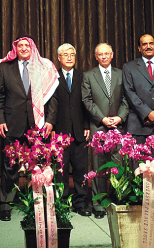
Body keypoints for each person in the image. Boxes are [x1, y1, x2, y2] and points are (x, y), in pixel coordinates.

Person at [0, 36, 58, 221]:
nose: (23, 48)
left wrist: (51, 121)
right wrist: (0, 120)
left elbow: (52, 97)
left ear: (32, 48)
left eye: (26, 45)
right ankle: (5, 205)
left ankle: (39, 203)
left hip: (37, 125)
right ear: (15, 48)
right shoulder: (5, 68)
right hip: (12, 125)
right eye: (20, 45)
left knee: (38, 167)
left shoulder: (43, 68)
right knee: (10, 167)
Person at [82, 42, 129, 218]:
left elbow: (126, 98)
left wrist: (119, 117)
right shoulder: (89, 76)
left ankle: (118, 200)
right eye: (100, 54)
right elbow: (87, 100)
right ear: (96, 56)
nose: (104, 57)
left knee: (118, 165)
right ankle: (99, 204)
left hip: (118, 126)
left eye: (106, 53)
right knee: (99, 167)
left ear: (112, 54)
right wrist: (101, 118)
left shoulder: (122, 74)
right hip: (98, 126)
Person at [52, 43, 90, 217]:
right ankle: (61, 203)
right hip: (59, 131)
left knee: (81, 169)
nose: (69, 57)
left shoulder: (84, 76)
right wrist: (50, 125)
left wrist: (87, 125)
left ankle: (81, 202)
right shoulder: (52, 77)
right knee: (61, 169)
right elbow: (49, 104)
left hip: (80, 131)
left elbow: (88, 103)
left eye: (72, 55)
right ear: (59, 58)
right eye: (65, 55)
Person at [122, 34, 154, 144]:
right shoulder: (129, 67)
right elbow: (129, 93)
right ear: (139, 48)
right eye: (144, 44)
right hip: (139, 125)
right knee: (139, 161)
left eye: (151, 43)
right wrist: (147, 113)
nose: (148, 46)